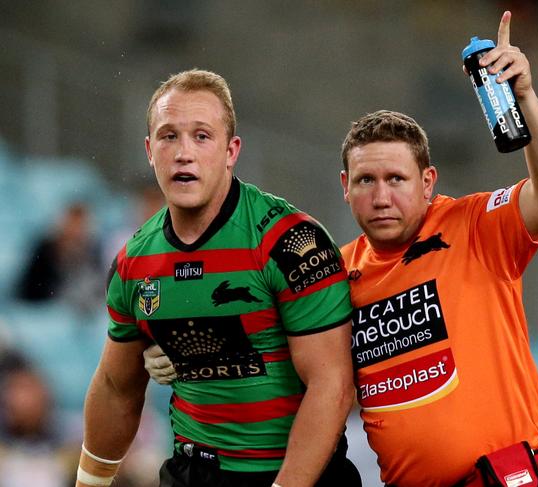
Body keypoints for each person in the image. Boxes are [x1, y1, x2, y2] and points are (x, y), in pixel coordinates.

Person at [145, 12, 538, 486]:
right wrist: (179, 352)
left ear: (428, 183)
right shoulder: (333, 270)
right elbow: (269, 347)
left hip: (512, 477)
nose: (381, 196)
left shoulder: (474, 227)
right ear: (344, 187)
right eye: (366, 180)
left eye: (396, 179)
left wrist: (523, 96)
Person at [76, 69, 359, 487]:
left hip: (295, 474)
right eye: (169, 136)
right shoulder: (133, 263)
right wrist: (90, 483)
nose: (183, 152)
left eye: (202, 136)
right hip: (194, 472)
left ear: (231, 151)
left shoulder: (291, 243)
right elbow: (117, 388)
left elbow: (332, 386)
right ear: (150, 151)